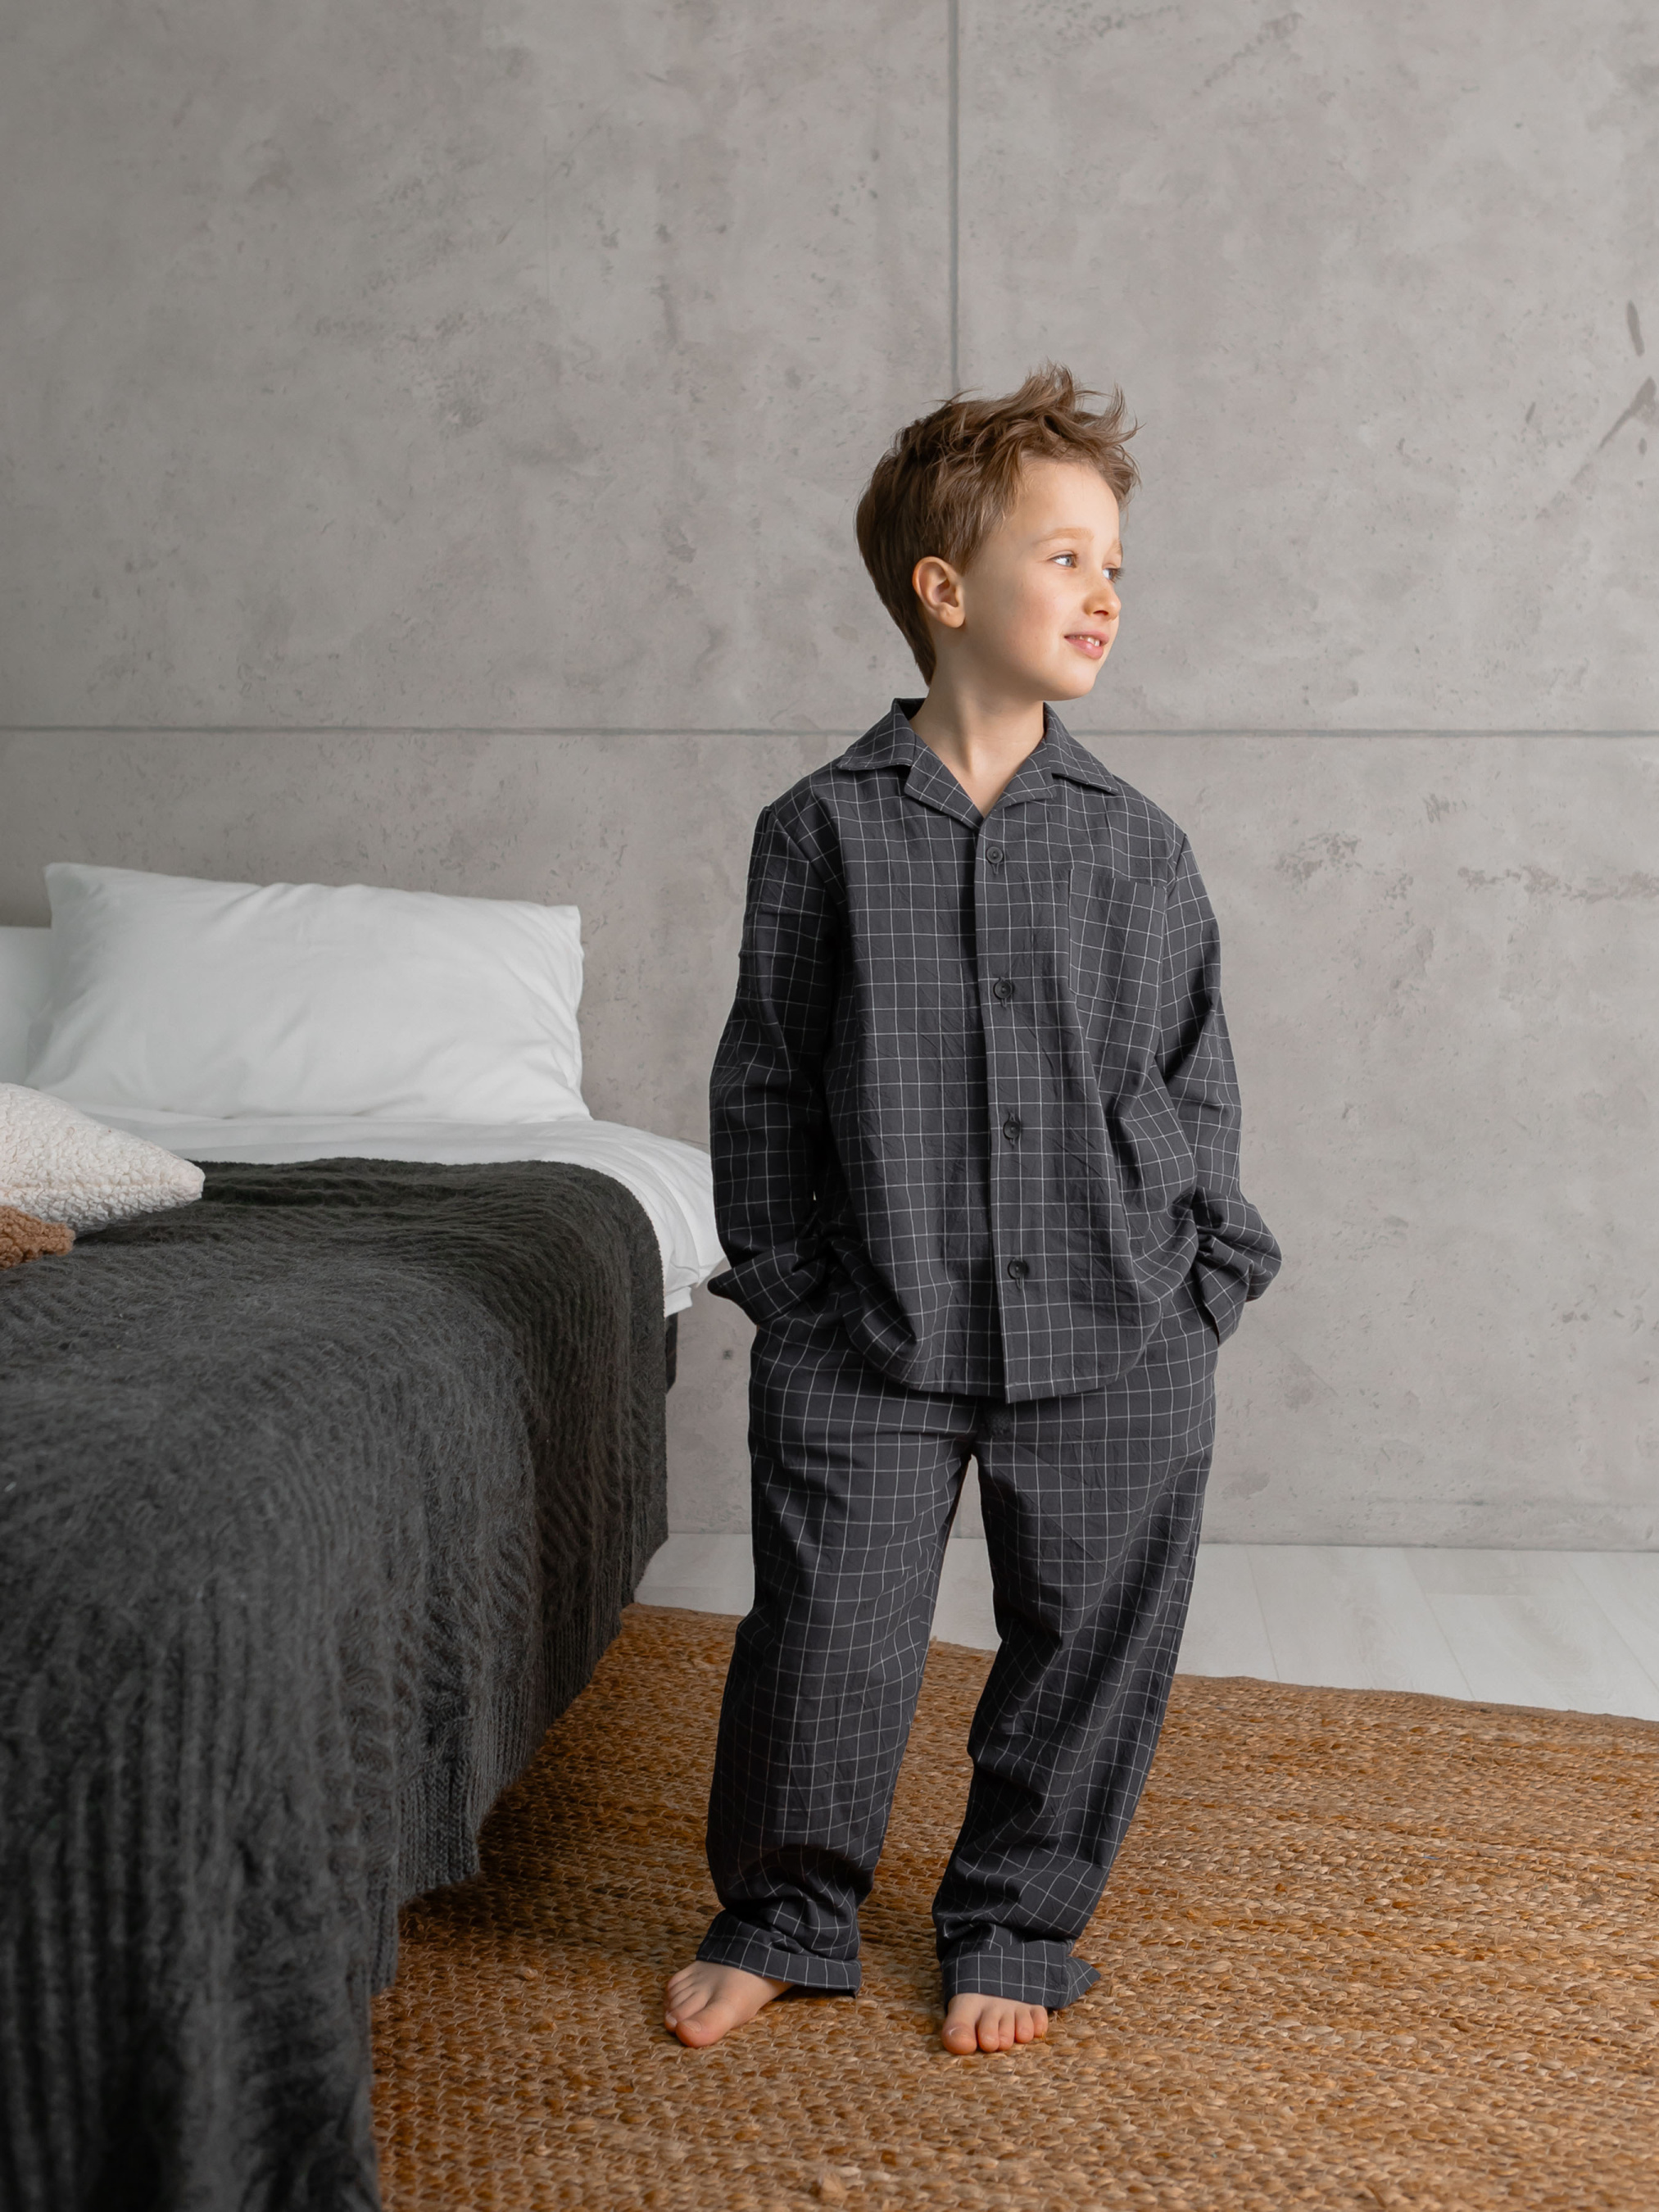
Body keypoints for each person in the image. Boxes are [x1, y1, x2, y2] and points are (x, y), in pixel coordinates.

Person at [664, 365, 1281, 2056]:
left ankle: (1013, 1918)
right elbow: (764, 1078)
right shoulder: (820, 834)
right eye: (1063, 558)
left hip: (1117, 1328)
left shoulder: (1138, 847)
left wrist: (1200, 1283)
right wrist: (791, 1293)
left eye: (1113, 566)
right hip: (869, 1327)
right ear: (943, 590)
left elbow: (1193, 1079)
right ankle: (783, 1911)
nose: (1103, 594)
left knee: (1085, 1649)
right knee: (826, 1639)